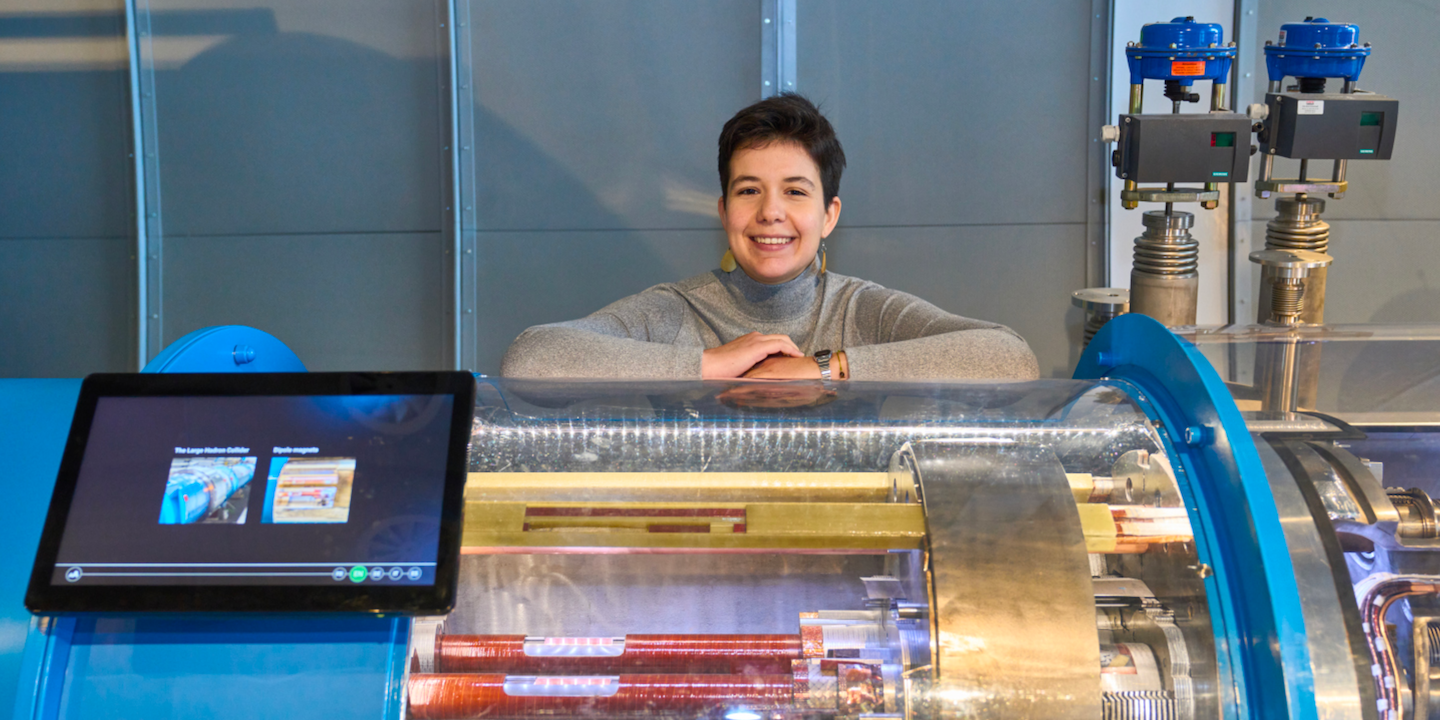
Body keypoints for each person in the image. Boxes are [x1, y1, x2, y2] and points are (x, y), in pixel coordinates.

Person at [501, 94, 1038, 381]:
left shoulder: (864, 311)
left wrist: (820, 369)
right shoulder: (673, 311)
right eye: (749, 190)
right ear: (723, 210)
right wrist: (710, 365)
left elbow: (1010, 358)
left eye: (796, 193)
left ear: (830, 215)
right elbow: (532, 356)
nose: (770, 213)